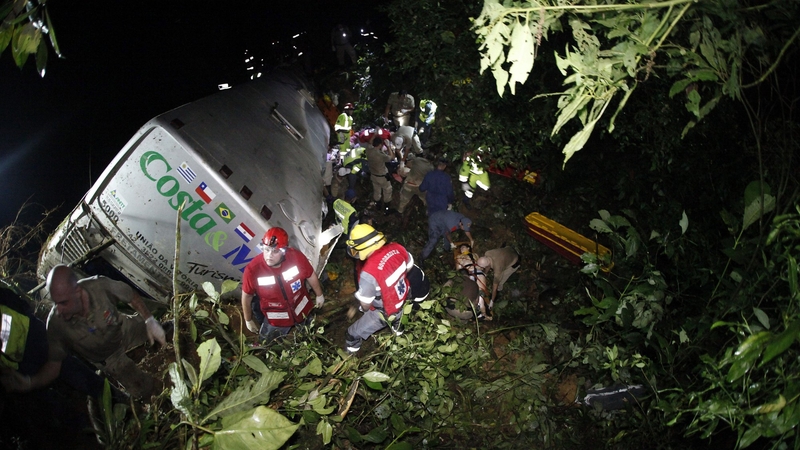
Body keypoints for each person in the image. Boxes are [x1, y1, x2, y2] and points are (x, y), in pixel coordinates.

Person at [1, 265, 166, 399]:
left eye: (64, 302)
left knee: (171, 332)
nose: (58, 310)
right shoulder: (55, 325)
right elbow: (54, 366)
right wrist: (30, 382)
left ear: (78, 292)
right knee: (148, 390)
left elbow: (131, 296)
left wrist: (149, 320)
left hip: (125, 330)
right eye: (55, 303)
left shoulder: (98, 286)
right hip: (110, 359)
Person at [241, 228, 325, 344]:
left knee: (309, 336)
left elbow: (310, 275)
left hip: (302, 310)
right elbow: (247, 296)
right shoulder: (253, 270)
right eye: (266, 249)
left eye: (275, 251)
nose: (269, 255)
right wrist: (248, 319)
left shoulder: (296, 258)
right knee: (268, 345)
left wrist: (319, 295)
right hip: (277, 319)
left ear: (284, 251)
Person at [344, 224, 414, 355]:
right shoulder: (397, 247)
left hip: (385, 312)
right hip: (406, 299)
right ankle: (399, 335)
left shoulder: (369, 273)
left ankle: (350, 358)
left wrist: (364, 309)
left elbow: (365, 304)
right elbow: (409, 266)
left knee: (351, 334)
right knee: (399, 325)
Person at [365, 136, 397, 215]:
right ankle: (386, 209)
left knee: (377, 190)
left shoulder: (368, 150)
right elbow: (392, 157)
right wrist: (388, 146)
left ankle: (378, 206)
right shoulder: (380, 155)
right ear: (380, 145)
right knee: (387, 190)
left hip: (373, 176)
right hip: (382, 177)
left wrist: (375, 133)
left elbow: (369, 142)